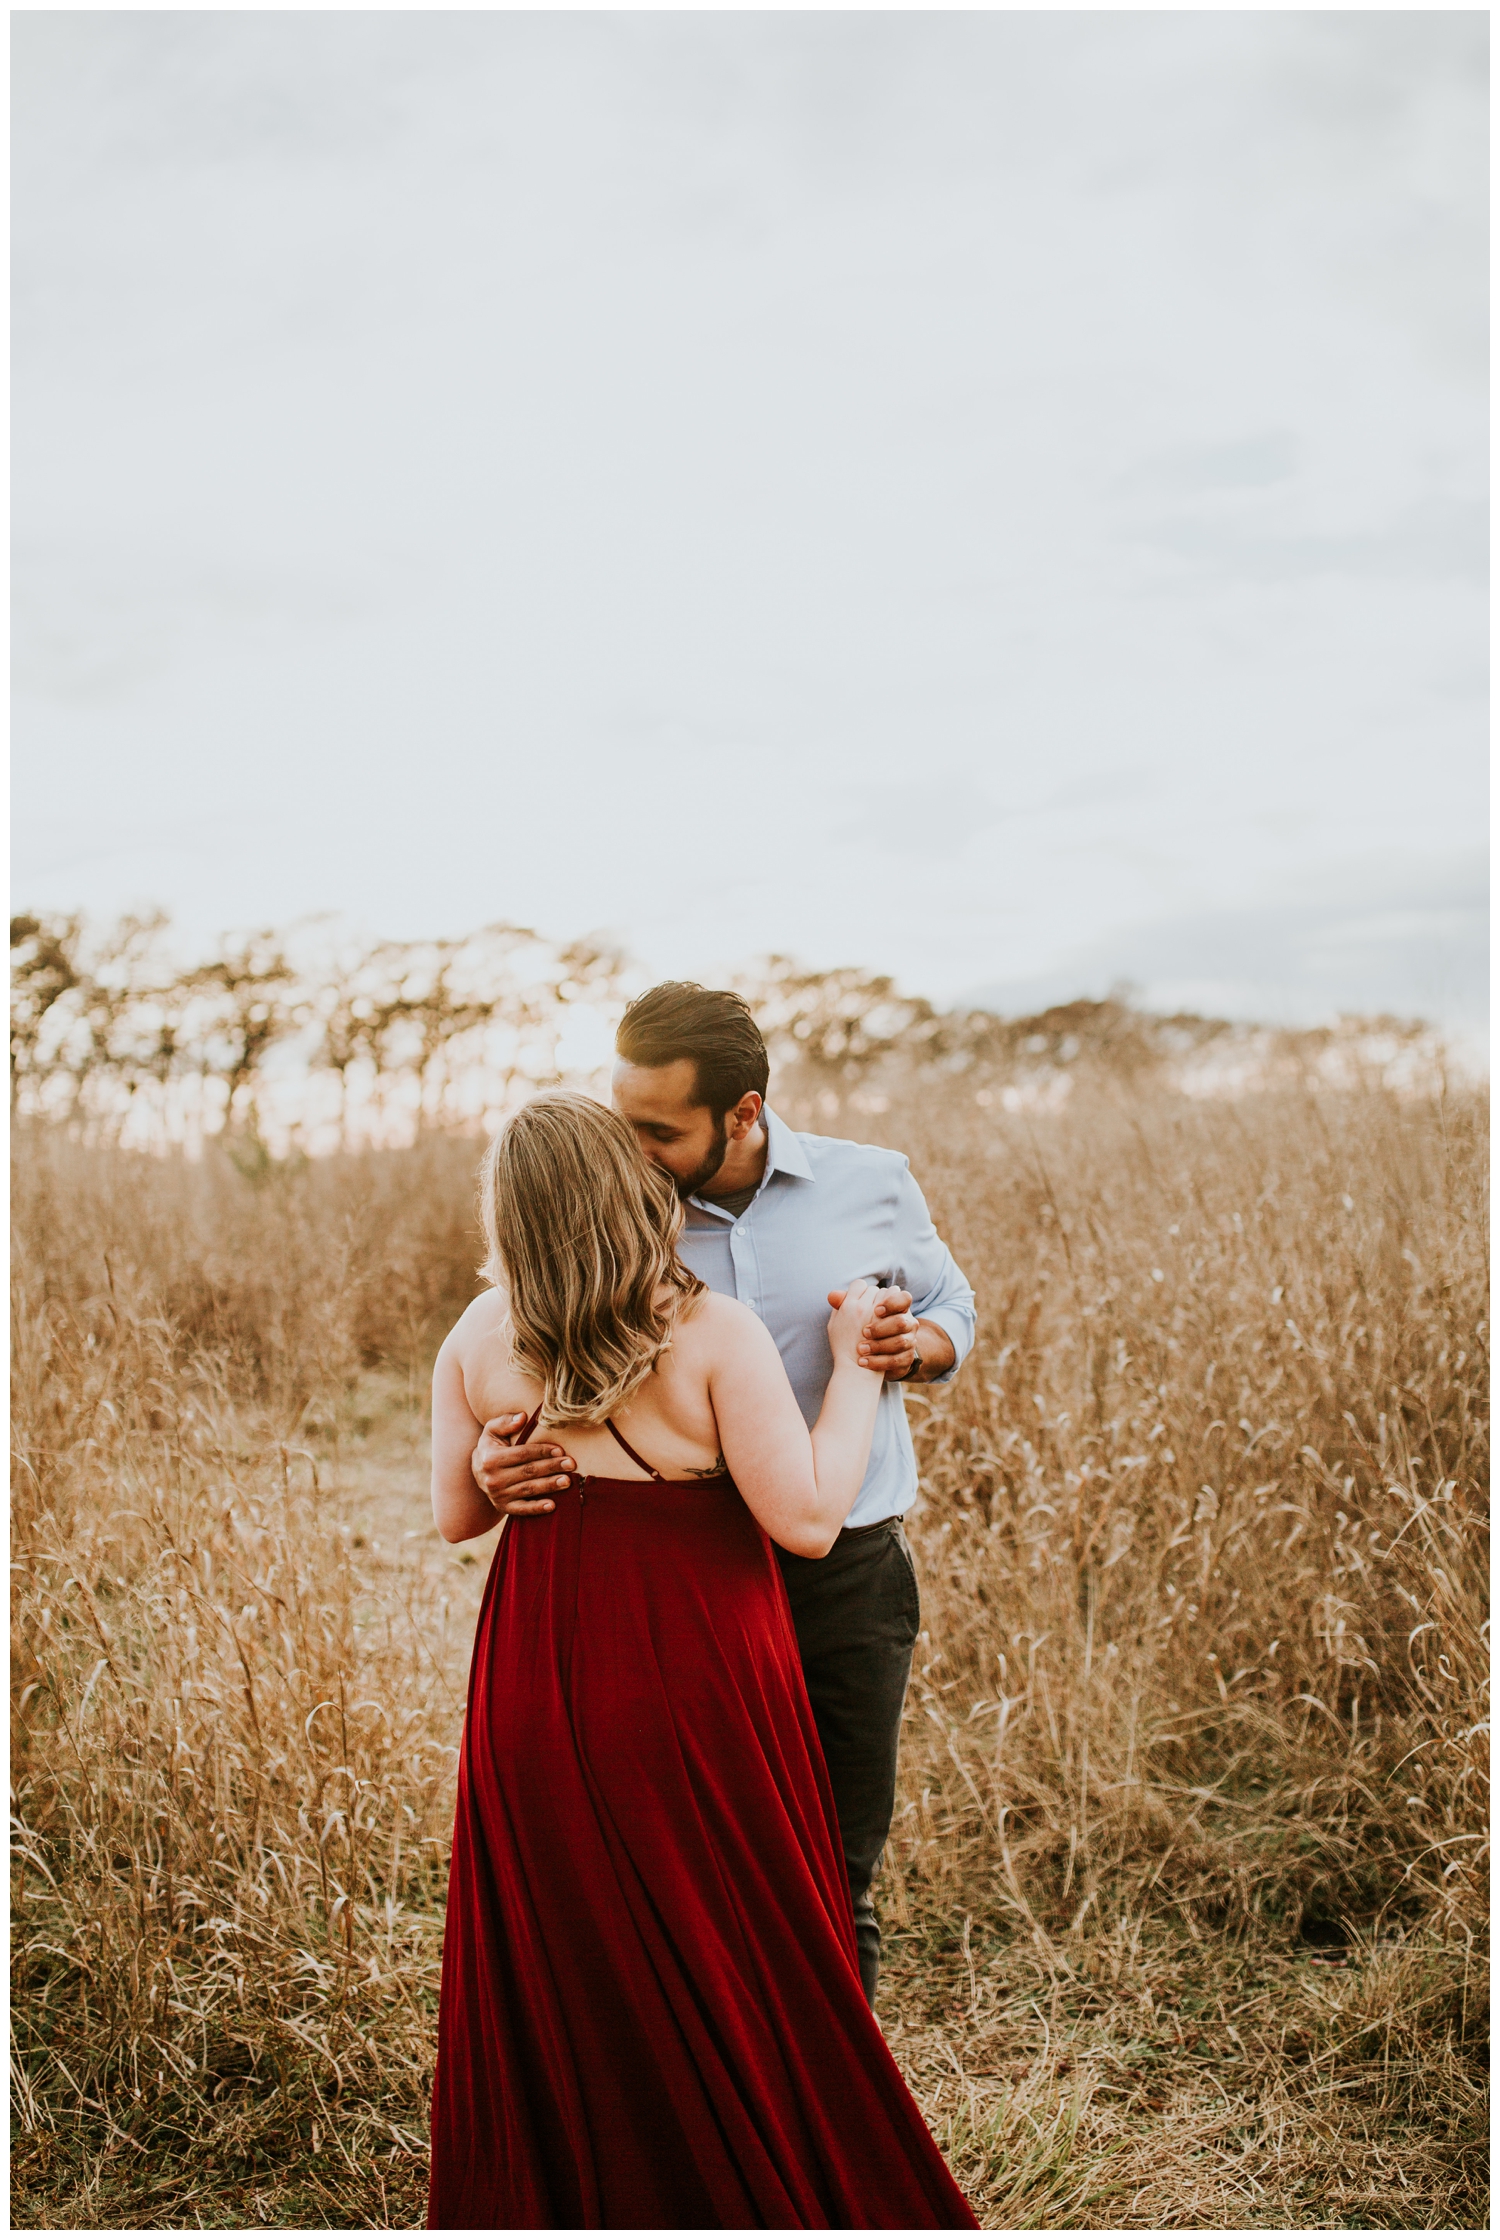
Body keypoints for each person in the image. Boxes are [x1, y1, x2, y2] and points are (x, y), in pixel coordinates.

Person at [427, 1091, 976, 2229]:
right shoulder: (710, 1329)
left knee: (569, 1941)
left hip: (537, 1674)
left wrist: (496, 1453)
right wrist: (855, 1365)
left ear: (510, 1210)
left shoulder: (478, 1335)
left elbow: (455, 1518)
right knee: (733, 1928)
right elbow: (812, 1520)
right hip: (689, 1672)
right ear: (628, 1190)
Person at [472, 983, 976, 2003]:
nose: (636, 1148)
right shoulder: (618, 1209)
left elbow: (947, 1303)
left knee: (836, 1873)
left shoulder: (873, 1182)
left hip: (845, 1570)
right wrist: (493, 1461)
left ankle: (830, 2135)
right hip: (688, 1583)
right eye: (625, 1121)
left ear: (743, 1110)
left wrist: (914, 1346)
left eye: (660, 1128)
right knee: (699, 1876)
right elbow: (536, 1349)